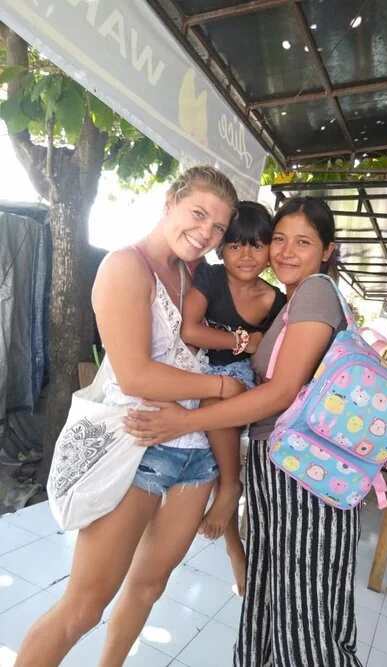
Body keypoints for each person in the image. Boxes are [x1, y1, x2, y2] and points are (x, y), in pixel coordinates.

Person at [14, 166, 245, 667]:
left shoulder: (193, 275)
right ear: (170, 202)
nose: (205, 232)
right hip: (136, 448)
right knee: (82, 609)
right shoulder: (126, 266)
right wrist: (224, 389)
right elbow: (137, 375)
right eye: (198, 213)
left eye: (218, 227)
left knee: (148, 588)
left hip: (196, 454)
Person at [125, 196, 363, 667]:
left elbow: (280, 393)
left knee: (305, 622)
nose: (285, 251)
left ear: (327, 250)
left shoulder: (313, 293)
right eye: (281, 239)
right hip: (287, 466)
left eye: (303, 242)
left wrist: (186, 421)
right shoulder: (293, 300)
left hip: (306, 475)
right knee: (275, 597)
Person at [181, 200, 286, 593]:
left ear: (269, 250)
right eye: (235, 245)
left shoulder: (276, 302)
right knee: (211, 451)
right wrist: (244, 340)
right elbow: (189, 330)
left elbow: (267, 356)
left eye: (256, 245)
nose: (245, 255)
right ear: (221, 249)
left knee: (215, 399)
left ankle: (231, 487)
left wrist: (246, 349)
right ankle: (234, 547)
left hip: (236, 380)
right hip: (195, 369)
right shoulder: (209, 277)